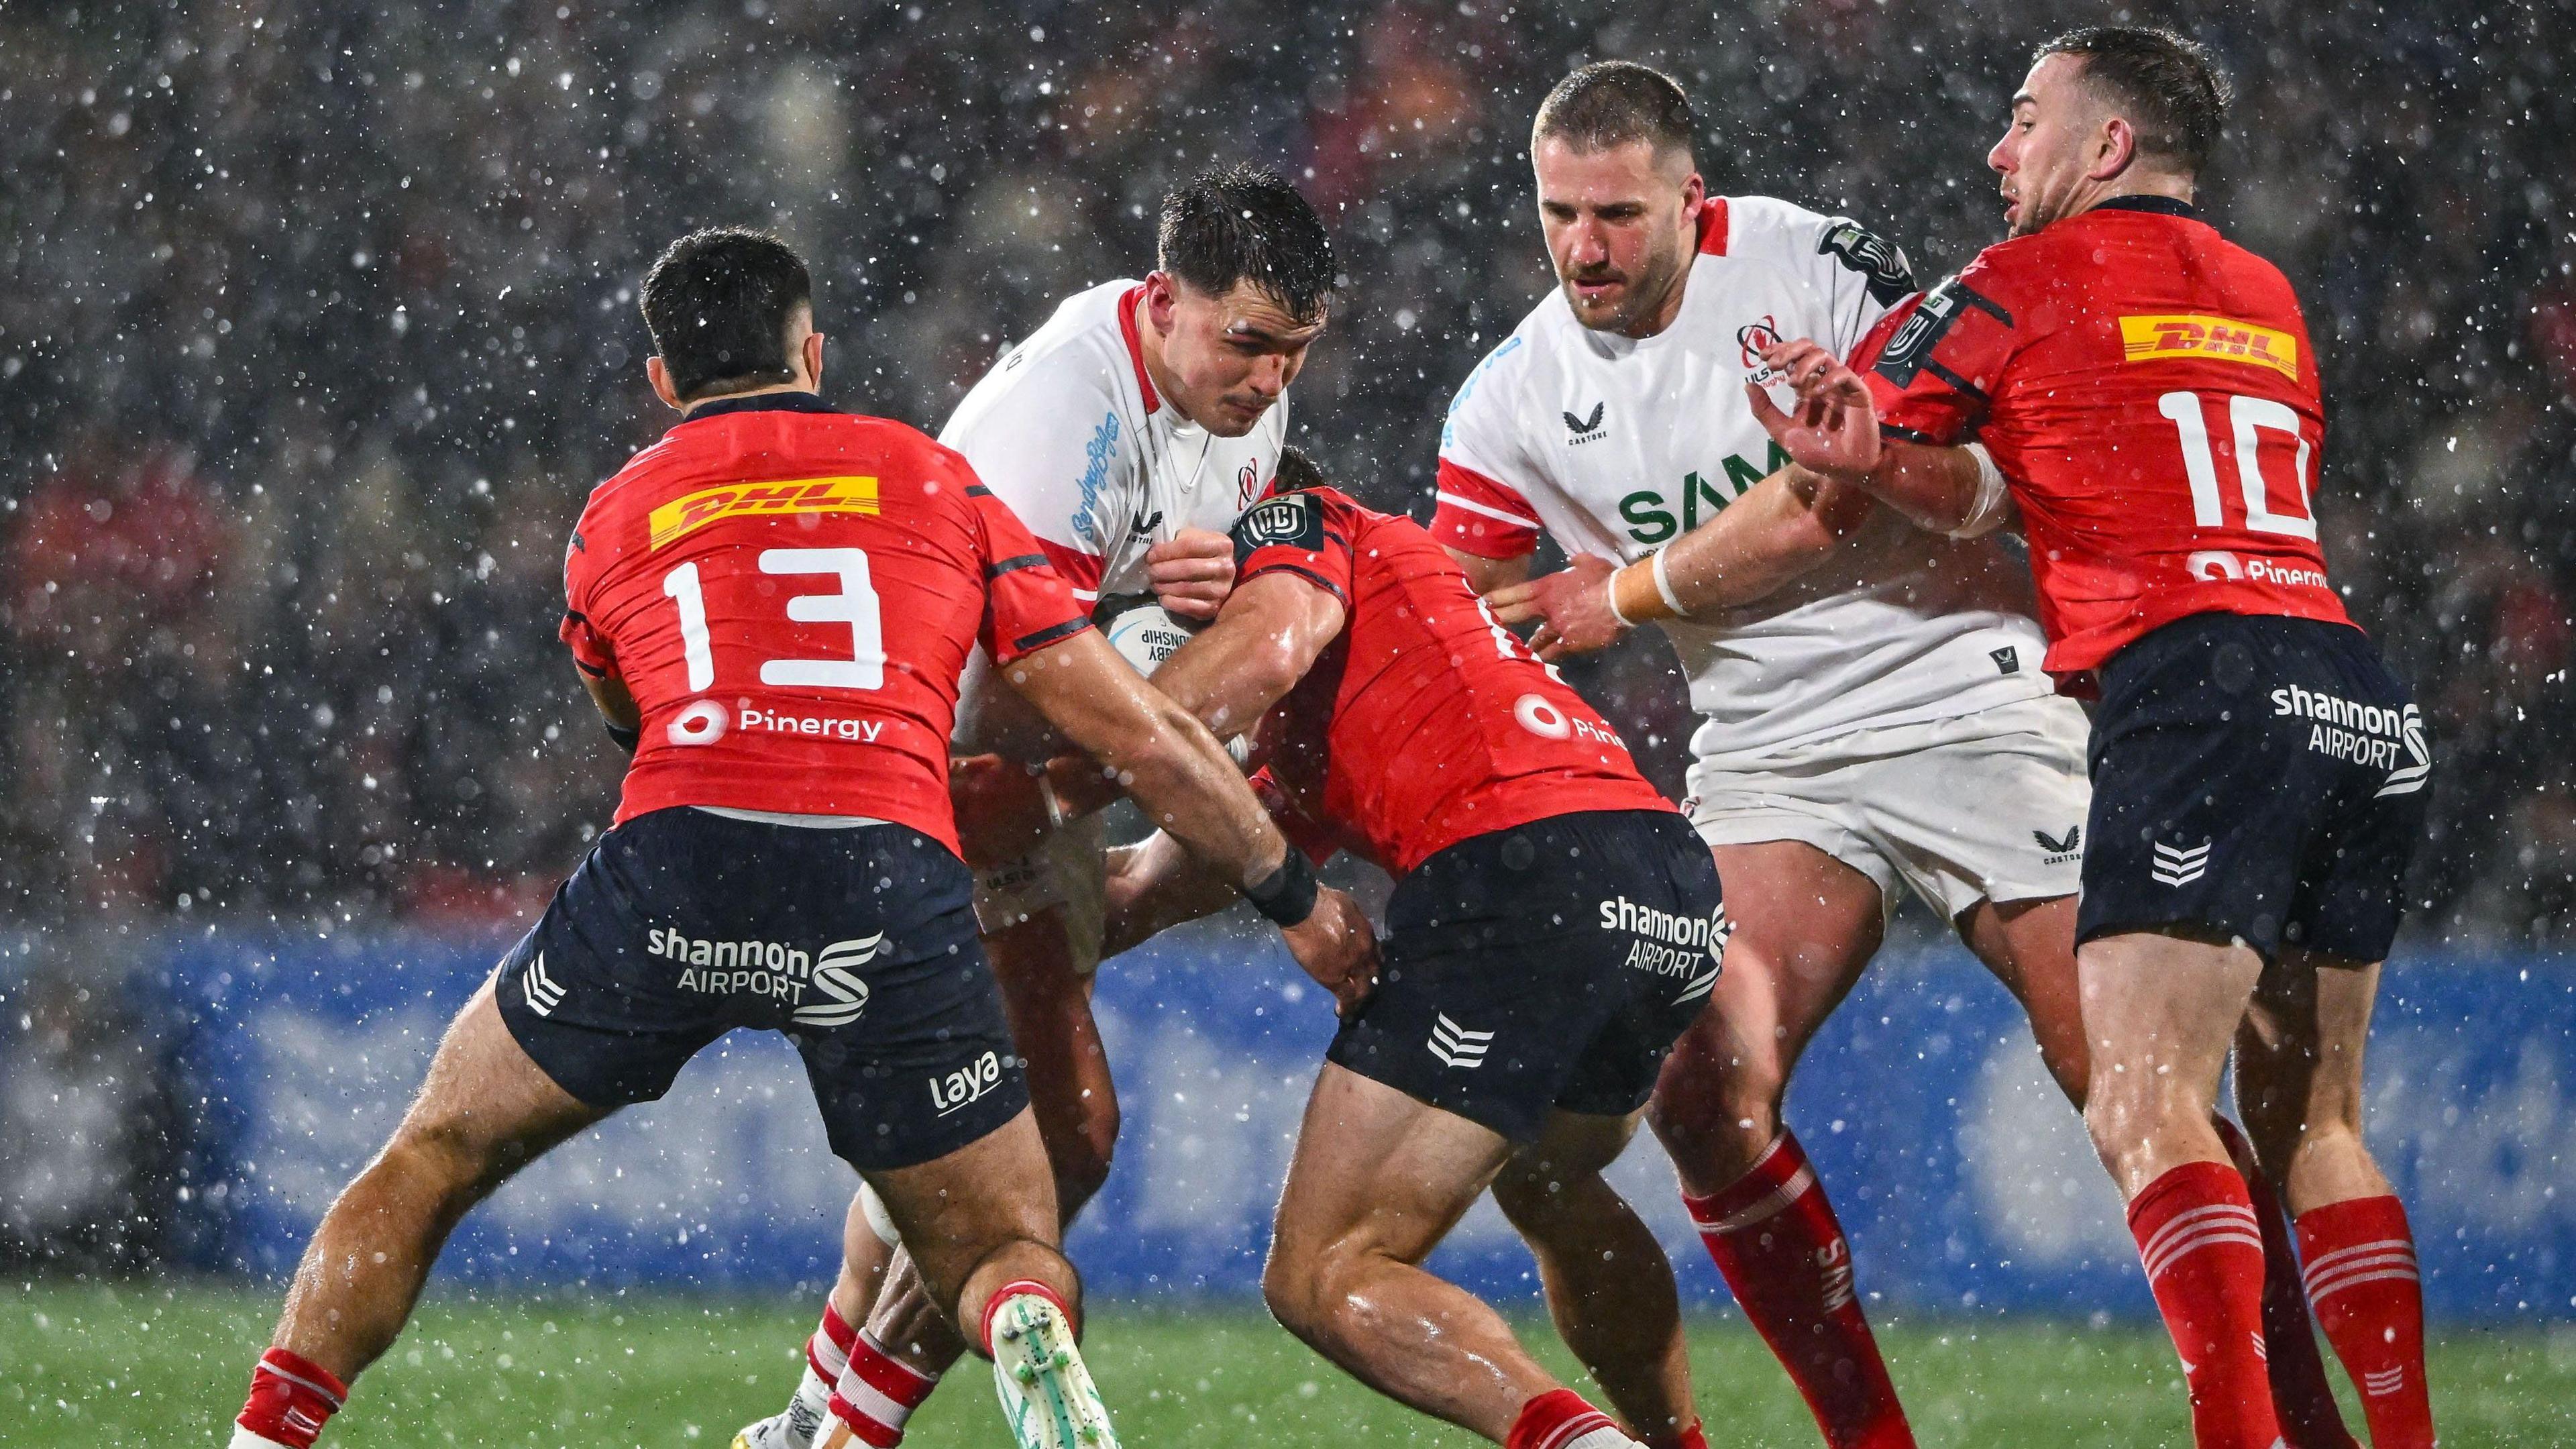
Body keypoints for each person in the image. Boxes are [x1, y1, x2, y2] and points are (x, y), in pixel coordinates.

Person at [225, 228, 1375, 1449]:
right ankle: (1023, 1324)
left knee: (434, 1157)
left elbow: (631, 714)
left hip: (684, 852)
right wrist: (1292, 896)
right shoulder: (935, 478)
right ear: (813, 352)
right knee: (1003, 1239)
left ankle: (269, 1435)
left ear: (661, 382)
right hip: (886, 862)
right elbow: (1132, 728)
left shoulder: (611, 515)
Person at [1437, 60, 2351, 1449]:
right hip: (1770, 760)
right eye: (1558, 212)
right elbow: (1470, 623)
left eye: (1618, 213)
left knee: (2125, 1081)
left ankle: (2291, 1425)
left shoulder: (1814, 264)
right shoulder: (1507, 399)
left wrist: (1622, 595)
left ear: (1696, 197)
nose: (1585, 247)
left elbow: (1873, 494)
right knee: (1701, 1092)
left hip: (1968, 693)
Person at [1741, 28, 2434, 1449]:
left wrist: (1841, 419)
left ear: (2104, 147)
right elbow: (2035, 477)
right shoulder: (2268, 293)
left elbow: (1850, 437)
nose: (2001, 152)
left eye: (2024, 121)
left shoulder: (2016, 280)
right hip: (2344, 679)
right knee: (2321, 1123)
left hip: (2195, 687)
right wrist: (1885, 452)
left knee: (2143, 1103)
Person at [737, 164, 1336, 1449]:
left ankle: (808, 1426)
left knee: (943, 1157)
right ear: (1166, 301)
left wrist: (1189, 610)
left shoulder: (1227, 395)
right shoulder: (1064, 416)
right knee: (1062, 1143)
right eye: (1249, 343)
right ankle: (849, 1434)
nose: (1271, 380)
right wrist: (1172, 733)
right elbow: (1017, 678)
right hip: (943, 784)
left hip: (1030, 790)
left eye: (1295, 351)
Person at [1027, 447, 1724, 1449]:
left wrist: (1078, 761)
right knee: (1550, 1179)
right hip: (1662, 879)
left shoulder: (1297, 517)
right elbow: (1136, 894)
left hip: (1523, 876)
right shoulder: (1361, 694)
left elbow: (1261, 653)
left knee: (1325, 1272)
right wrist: (982, 890)